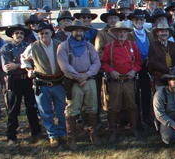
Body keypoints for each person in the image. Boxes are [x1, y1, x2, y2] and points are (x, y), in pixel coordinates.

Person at [56, 20, 101, 150]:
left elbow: (96, 62)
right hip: (73, 82)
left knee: (92, 107)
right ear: (72, 31)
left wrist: (86, 75)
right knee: (72, 109)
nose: (79, 33)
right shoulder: (64, 46)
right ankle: (72, 138)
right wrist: (77, 77)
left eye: (81, 30)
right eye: (76, 30)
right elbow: (64, 65)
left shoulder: (89, 46)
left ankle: (93, 134)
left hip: (89, 79)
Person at [20, 23, 66, 147]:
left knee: (62, 110)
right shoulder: (32, 47)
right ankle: (52, 135)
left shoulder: (60, 45)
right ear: (38, 35)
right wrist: (29, 69)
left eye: (46, 33)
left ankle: (63, 132)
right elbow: (24, 58)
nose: (44, 35)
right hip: (42, 83)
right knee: (45, 111)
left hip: (58, 82)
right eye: (41, 33)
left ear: (51, 33)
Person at [100, 22, 142, 142]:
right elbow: (104, 62)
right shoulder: (110, 46)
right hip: (115, 81)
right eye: (119, 31)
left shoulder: (132, 45)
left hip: (129, 80)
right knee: (114, 107)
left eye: (124, 32)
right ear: (115, 33)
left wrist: (134, 71)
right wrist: (111, 71)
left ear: (127, 33)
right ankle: (113, 130)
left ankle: (133, 128)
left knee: (132, 105)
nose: (122, 34)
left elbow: (139, 62)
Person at [1, 24, 42, 144]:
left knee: (32, 106)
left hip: (28, 80)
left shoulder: (29, 47)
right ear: (12, 35)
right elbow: (7, 68)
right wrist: (23, 65)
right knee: (13, 109)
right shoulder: (6, 48)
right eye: (17, 33)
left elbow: (33, 64)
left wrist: (18, 65)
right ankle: (11, 136)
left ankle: (36, 131)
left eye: (22, 33)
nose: (19, 35)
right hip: (14, 80)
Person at [127, 9, 155, 128]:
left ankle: (147, 117)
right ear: (133, 21)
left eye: (141, 19)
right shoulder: (129, 35)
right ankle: (136, 119)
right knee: (134, 94)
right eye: (137, 19)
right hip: (134, 67)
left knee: (146, 93)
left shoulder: (149, 34)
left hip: (147, 67)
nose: (139, 21)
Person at [148, 22, 175, 93]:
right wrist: (167, 72)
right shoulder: (153, 46)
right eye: (161, 31)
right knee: (161, 100)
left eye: (166, 31)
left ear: (169, 33)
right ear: (157, 33)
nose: (164, 33)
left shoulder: (174, 45)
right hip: (160, 78)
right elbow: (153, 63)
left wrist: (173, 72)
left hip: (174, 79)